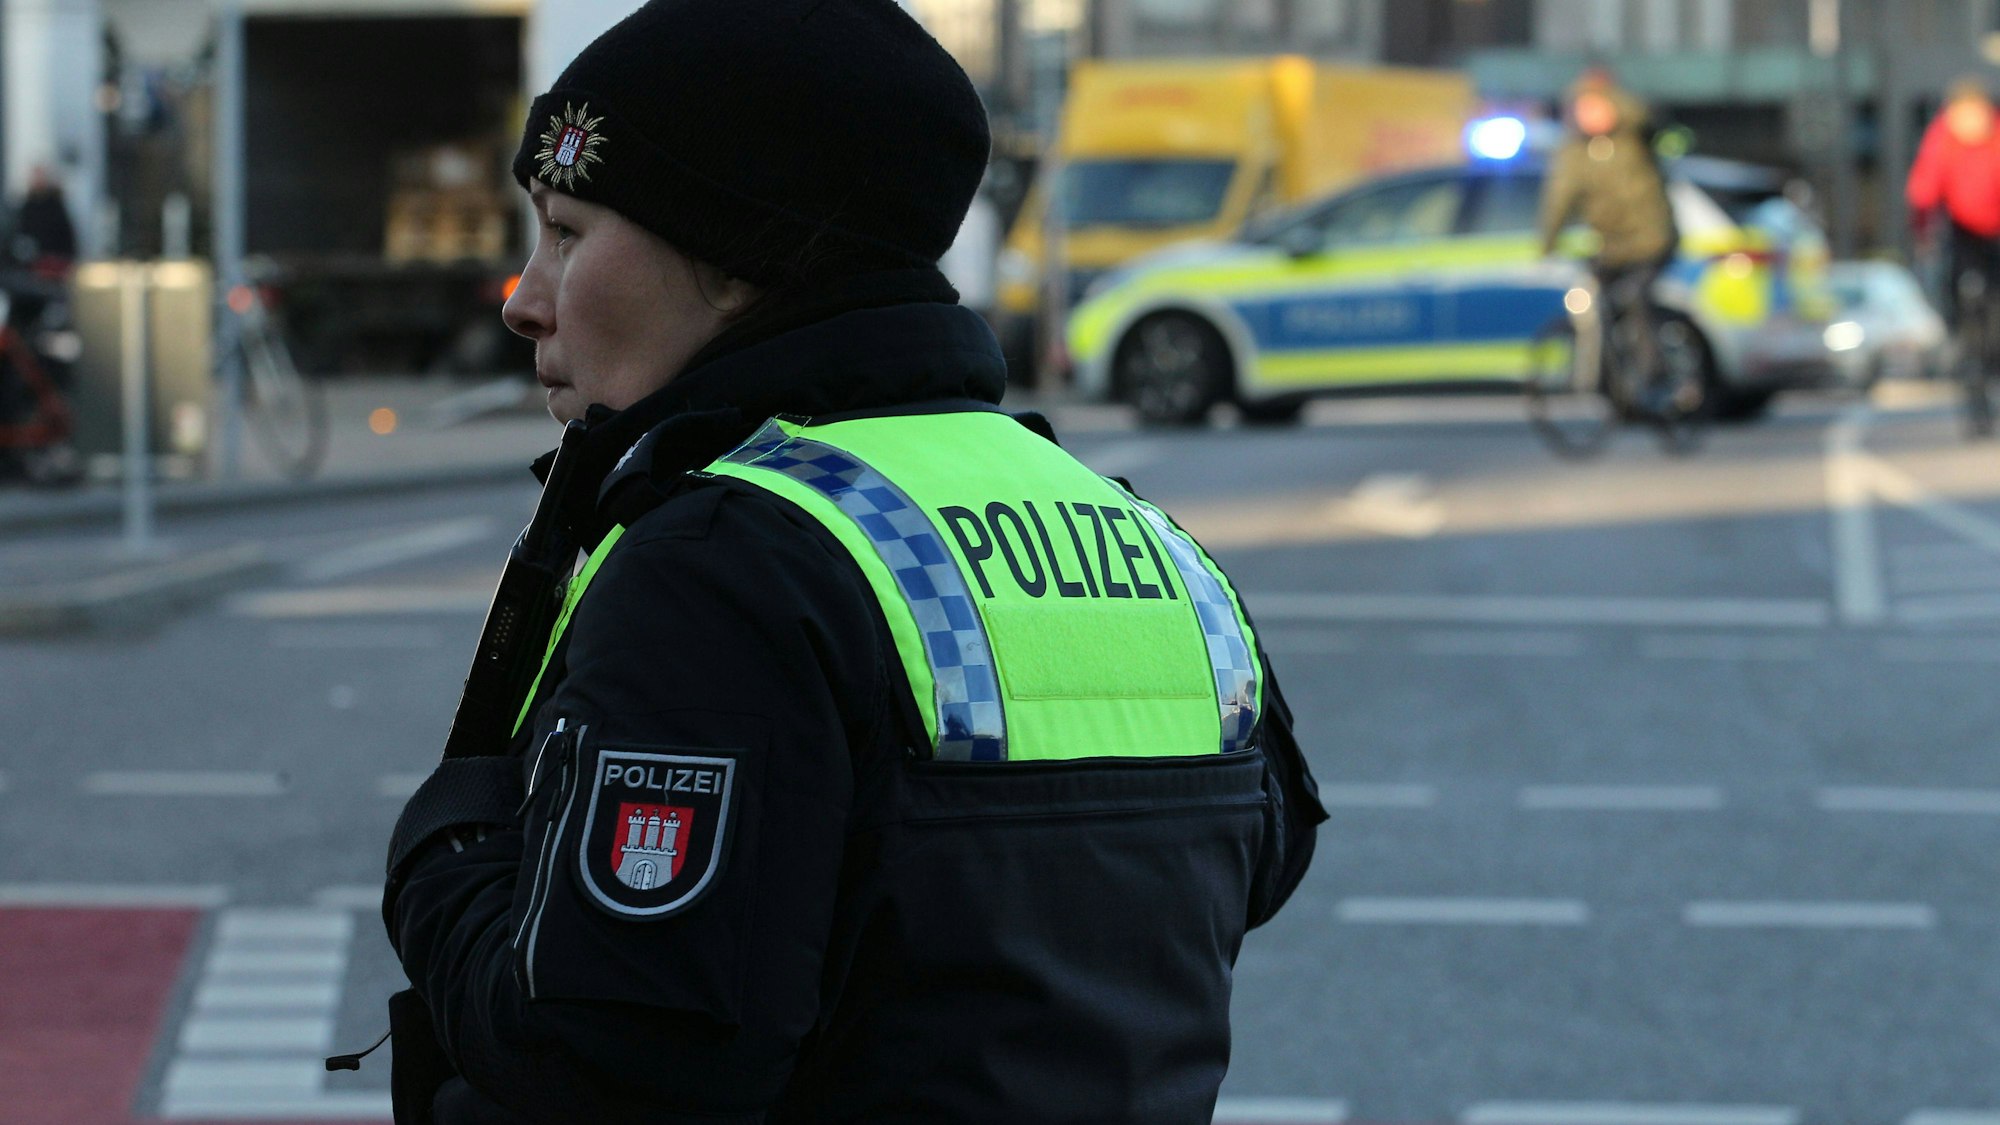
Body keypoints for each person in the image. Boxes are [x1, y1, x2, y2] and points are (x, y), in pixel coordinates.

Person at [379, 2, 1326, 1122]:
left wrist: (448, 856)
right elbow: (1245, 869)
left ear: (734, 261)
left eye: (570, 233)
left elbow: (618, 1057)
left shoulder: (727, 565)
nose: (524, 300)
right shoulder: (1142, 538)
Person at [1537, 68, 1680, 410]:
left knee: (1636, 298)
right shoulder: (1574, 154)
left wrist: (1614, 101)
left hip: (1651, 240)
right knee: (1599, 306)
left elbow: (1647, 117)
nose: (1591, 115)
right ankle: (1613, 383)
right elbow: (1558, 200)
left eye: (1597, 106)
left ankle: (1657, 374)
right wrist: (1548, 242)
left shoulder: (1632, 138)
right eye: (1583, 108)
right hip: (1611, 246)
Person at [1906, 78, 2000, 334]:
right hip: (1961, 226)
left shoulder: (1996, 140)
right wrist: (1923, 226)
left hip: (1995, 225)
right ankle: (1957, 329)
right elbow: (1925, 185)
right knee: (1952, 276)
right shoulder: (1942, 140)